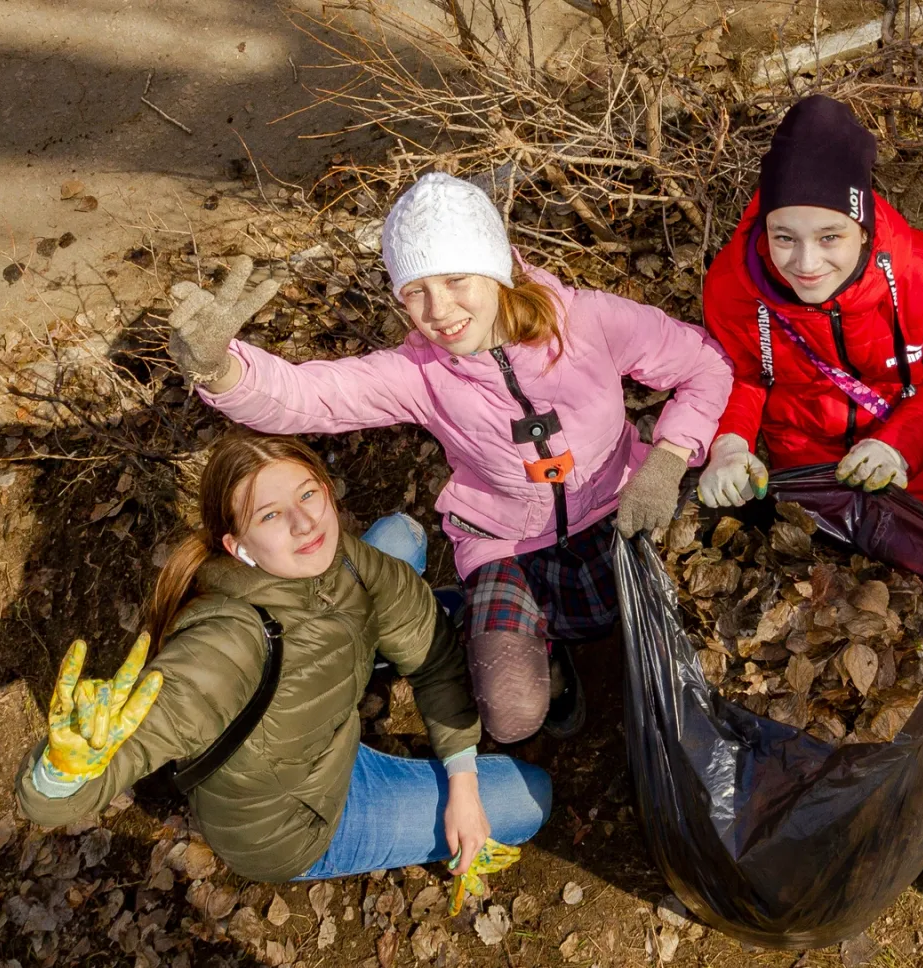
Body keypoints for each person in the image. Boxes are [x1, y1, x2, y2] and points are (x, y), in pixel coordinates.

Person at [166, 173, 733, 742]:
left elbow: (703, 365)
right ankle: (551, 668)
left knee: (675, 619)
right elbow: (311, 397)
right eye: (415, 291)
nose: (438, 310)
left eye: (457, 278)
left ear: (495, 268)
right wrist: (221, 369)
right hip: (508, 543)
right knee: (511, 714)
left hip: (622, 507)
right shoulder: (421, 374)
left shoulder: (588, 322)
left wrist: (669, 457)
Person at [15, 430, 552, 885]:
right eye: (271, 515)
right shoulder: (227, 643)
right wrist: (61, 775)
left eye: (308, 495)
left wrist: (461, 781)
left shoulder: (342, 557)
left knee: (401, 537)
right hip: (299, 820)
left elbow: (434, 655)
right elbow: (87, 777)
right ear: (237, 546)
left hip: (322, 731)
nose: (305, 524)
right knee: (531, 798)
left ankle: (363, 656)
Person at [697, 95, 923, 515]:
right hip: (805, 461)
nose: (806, 264)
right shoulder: (732, 285)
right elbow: (741, 376)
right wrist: (730, 443)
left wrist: (898, 446)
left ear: (864, 226)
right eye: (784, 237)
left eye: (829, 237)